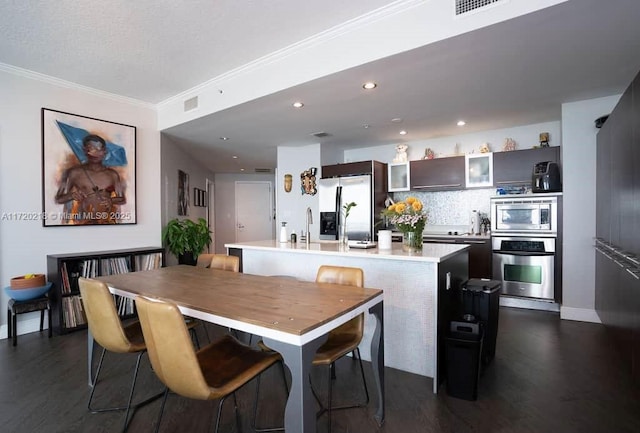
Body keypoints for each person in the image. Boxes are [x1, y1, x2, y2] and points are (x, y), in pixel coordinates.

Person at [55, 134, 126, 224]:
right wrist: (71, 196)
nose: (94, 153)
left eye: (98, 149)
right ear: (84, 151)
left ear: (104, 151)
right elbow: (58, 199)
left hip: (106, 223)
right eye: (90, 149)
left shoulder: (112, 174)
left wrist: (111, 200)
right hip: (81, 222)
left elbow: (122, 199)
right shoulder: (74, 173)